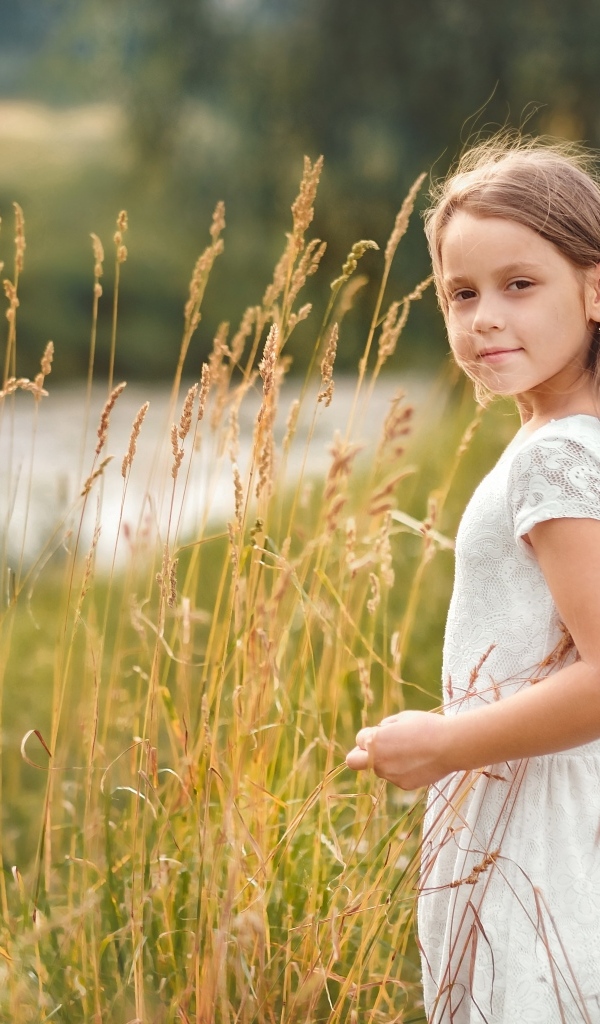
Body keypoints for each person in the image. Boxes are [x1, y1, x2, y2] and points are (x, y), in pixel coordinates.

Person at [346, 135, 600, 1023]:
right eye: (461, 293)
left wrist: (444, 745)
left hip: (538, 827)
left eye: (519, 285)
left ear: (596, 286)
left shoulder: (558, 459)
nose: (484, 317)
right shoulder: (563, 440)